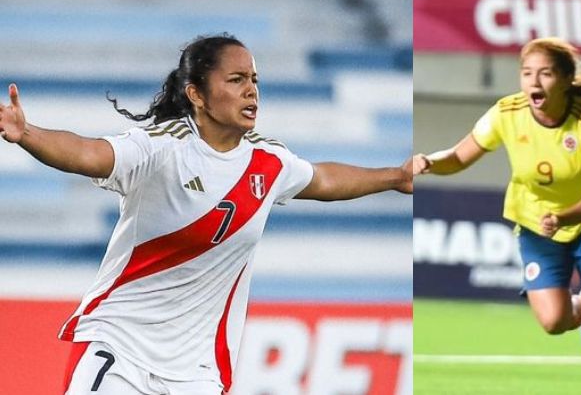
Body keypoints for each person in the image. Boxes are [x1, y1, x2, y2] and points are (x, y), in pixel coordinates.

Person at [0, 34, 412, 395]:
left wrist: (395, 176)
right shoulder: (163, 148)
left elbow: (323, 180)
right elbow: (89, 153)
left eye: (254, 80)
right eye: (236, 80)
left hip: (195, 371)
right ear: (196, 93)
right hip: (120, 346)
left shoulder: (268, 163)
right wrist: (27, 134)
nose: (252, 91)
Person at [413, 37, 581, 395]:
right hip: (535, 225)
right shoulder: (506, 113)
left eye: (545, 73)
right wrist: (430, 163)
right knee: (553, 321)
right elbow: (460, 155)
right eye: (527, 73)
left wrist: (564, 217)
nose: (534, 82)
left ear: (565, 79)